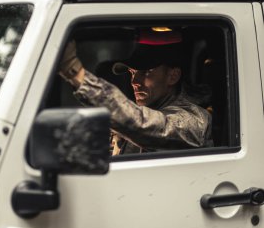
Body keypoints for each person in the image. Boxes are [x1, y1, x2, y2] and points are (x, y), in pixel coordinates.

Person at [59, 32, 213, 155]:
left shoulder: (193, 120)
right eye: (132, 73)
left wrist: (75, 73)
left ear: (173, 76)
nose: (135, 82)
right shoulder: (142, 115)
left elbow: (142, 124)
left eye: (146, 73)